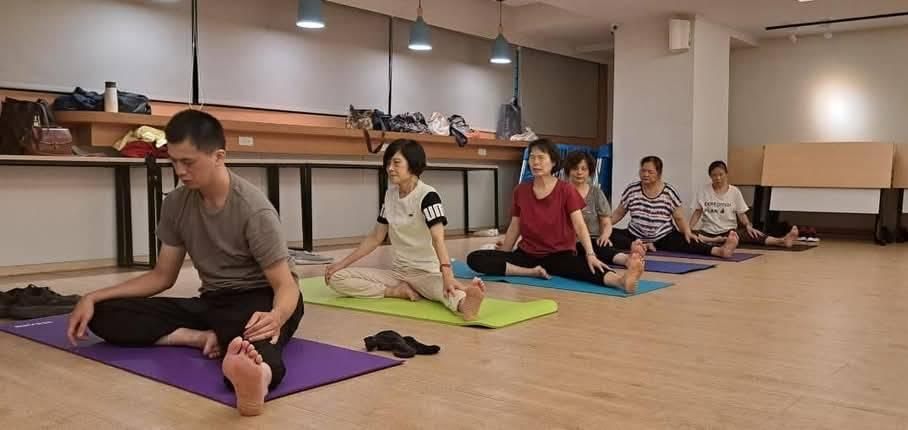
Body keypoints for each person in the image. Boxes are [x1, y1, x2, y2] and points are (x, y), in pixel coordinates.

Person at [65, 110, 303, 417]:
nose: (179, 171)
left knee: (253, 344)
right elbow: (162, 276)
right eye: (173, 162)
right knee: (103, 313)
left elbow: (285, 285)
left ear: (218, 156)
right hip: (214, 301)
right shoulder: (176, 204)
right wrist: (92, 297)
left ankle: (259, 380)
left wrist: (276, 316)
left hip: (262, 298)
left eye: (188, 162)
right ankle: (200, 337)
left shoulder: (254, 210)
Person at [324, 139, 486, 320]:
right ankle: (395, 291)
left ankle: (465, 305)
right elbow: (376, 237)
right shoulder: (389, 195)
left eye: (396, 163)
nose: (390, 168)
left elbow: (438, 239)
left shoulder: (428, 196)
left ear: (413, 164)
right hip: (398, 274)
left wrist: (447, 274)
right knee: (337, 279)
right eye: (388, 163)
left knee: (447, 290)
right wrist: (341, 264)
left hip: (426, 273)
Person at [467, 140, 644, 294]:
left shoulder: (566, 190)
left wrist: (590, 254)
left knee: (587, 267)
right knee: (474, 258)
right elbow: (515, 225)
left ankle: (621, 281)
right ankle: (530, 272)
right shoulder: (521, 190)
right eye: (532, 157)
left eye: (541, 157)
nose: (535, 162)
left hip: (560, 254)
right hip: (527, 255)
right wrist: (505, 252)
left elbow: (580, 226)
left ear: (553, 162)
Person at [610, 156, 739, 258]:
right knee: (608, 234)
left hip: (663, 236)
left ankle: (720, 251)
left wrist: (687, 232)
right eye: (643, 171)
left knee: (689, 240)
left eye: (650, 172)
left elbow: (679, 218)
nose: (645, 174)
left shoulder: (669, 192)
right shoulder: (632, 190)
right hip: (635, 235)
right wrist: (605, 225)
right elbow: (619, 213)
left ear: (659, 173)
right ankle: (641, 245)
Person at [563, 151, 647, 265]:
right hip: (568, 241)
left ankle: (628, 260)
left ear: (589, 172)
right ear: (568, 170)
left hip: (593, 238)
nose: (579, 172)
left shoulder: (596, 193)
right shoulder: (561, 192)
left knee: (603, 246)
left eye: (584, 169)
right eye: (575, 168)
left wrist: (604, 236)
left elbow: (606, 222)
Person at [689, 160, 799, 248]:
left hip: (729, 231)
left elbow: (741, 214)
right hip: (707, 232)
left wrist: (748, 226)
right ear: (710, 176)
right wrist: (688, 229)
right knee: (691, 236)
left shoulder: (734, 191)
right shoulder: (703, 191)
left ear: (726, 174)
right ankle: (715, 240)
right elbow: (697, 213)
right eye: (714, 175)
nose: (718, 178)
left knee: (752, 234)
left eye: (721, 174)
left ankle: (782, 241)